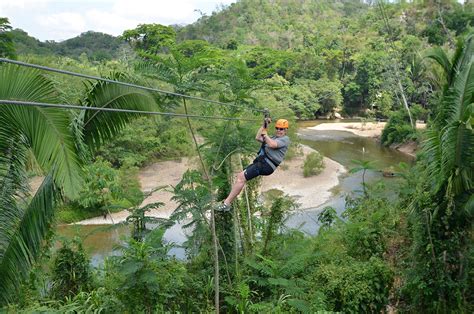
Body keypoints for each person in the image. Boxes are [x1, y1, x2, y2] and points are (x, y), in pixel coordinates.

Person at [216, 118, 290, 211]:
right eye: (277, 128)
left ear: (286, 130)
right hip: (262, 162)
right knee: (240, 177)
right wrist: (264, 126)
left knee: (241, 178)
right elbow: (258, 137)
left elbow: (272, 144)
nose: (279, 131)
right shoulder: (273, 137)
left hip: (267, 165)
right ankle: (227, 202)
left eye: (281, 129)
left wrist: (265, 134)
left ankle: (226, 204)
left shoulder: (285, 139)